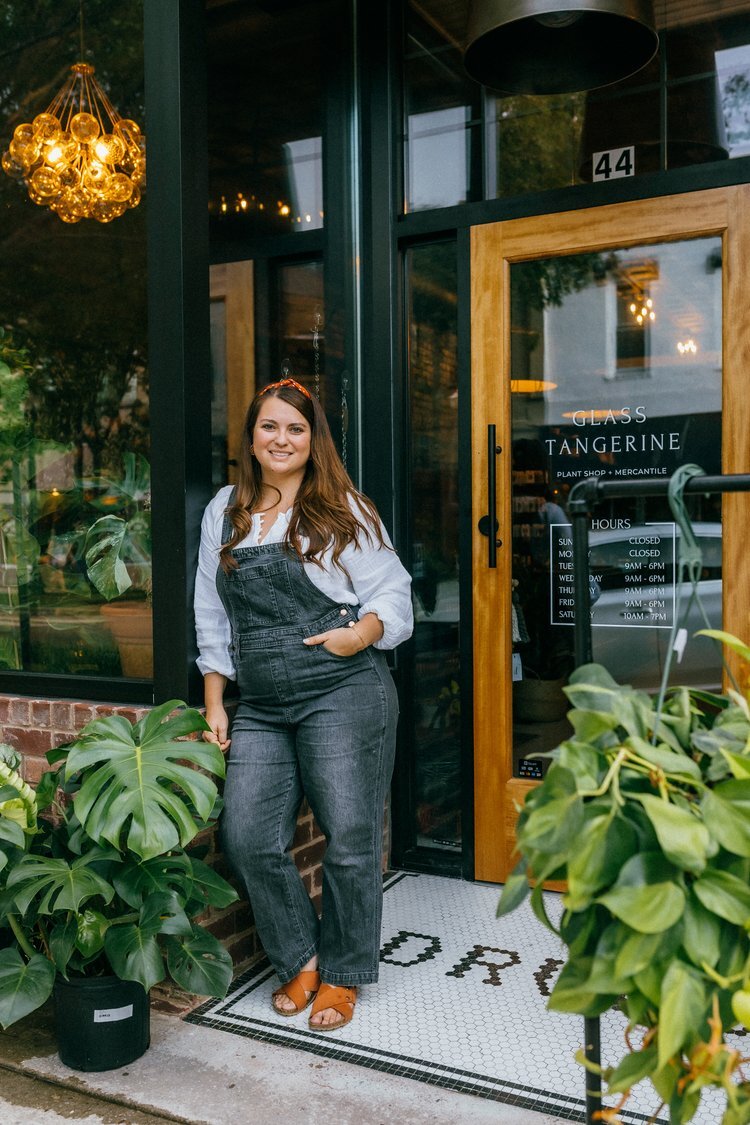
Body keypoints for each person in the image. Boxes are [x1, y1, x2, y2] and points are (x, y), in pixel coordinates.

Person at [194, 377, 413, 1033]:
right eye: (269, 426)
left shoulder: (343, 509)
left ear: (313, 439)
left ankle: (343, 973)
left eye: (295, 427)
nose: (281, 439)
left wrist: (360, 634)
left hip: (341, 688)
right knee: (248, 835)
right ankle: (301, 955)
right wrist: (215, 700)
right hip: (260, 700)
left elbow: (396, 600)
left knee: (348, 838)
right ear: (252, 437)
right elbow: (210, 610)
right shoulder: (224, 512)